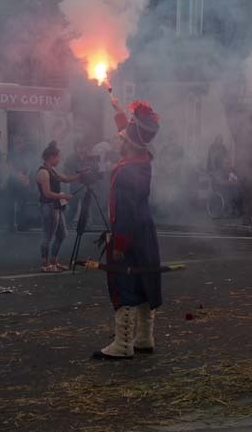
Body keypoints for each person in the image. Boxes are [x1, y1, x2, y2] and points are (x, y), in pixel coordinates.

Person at [91, 100, 161, 360]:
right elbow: (132, 135)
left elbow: (126, 211)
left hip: (129, 233)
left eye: (124, 139)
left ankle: (122, 345)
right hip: (145, 232)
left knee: (126, 283)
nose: (119, 142)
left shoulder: (126, 172)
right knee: (145, 282)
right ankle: (144, 338)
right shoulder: (142, 162)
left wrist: (118, 243)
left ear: (130, 143)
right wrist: (120, 114)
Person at [36, 141, 81, 272]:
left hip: (55, 207)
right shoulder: (43, 172)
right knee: (48, 235)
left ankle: (54, 261)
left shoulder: (52, 171)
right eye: (58, 157)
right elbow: (47, 193)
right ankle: (45, 264)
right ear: (52, 157)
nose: (59, 159)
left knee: (62, 234)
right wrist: (64, 197)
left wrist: (81, 176)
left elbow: (66, 179)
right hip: (49, 206)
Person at [8, 134, 34, 231]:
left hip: (23, 182)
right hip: (13, 182)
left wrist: (26, 177)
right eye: (18, 143)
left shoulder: (26, 154)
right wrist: (19, 176)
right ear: (15, 144)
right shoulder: (11, 154)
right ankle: (10, 225)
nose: (20, 145)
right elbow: (10, 168)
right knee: (11, 204)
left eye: (21, 143)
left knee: (23, 204)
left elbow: (29, 167)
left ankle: (21, 224)